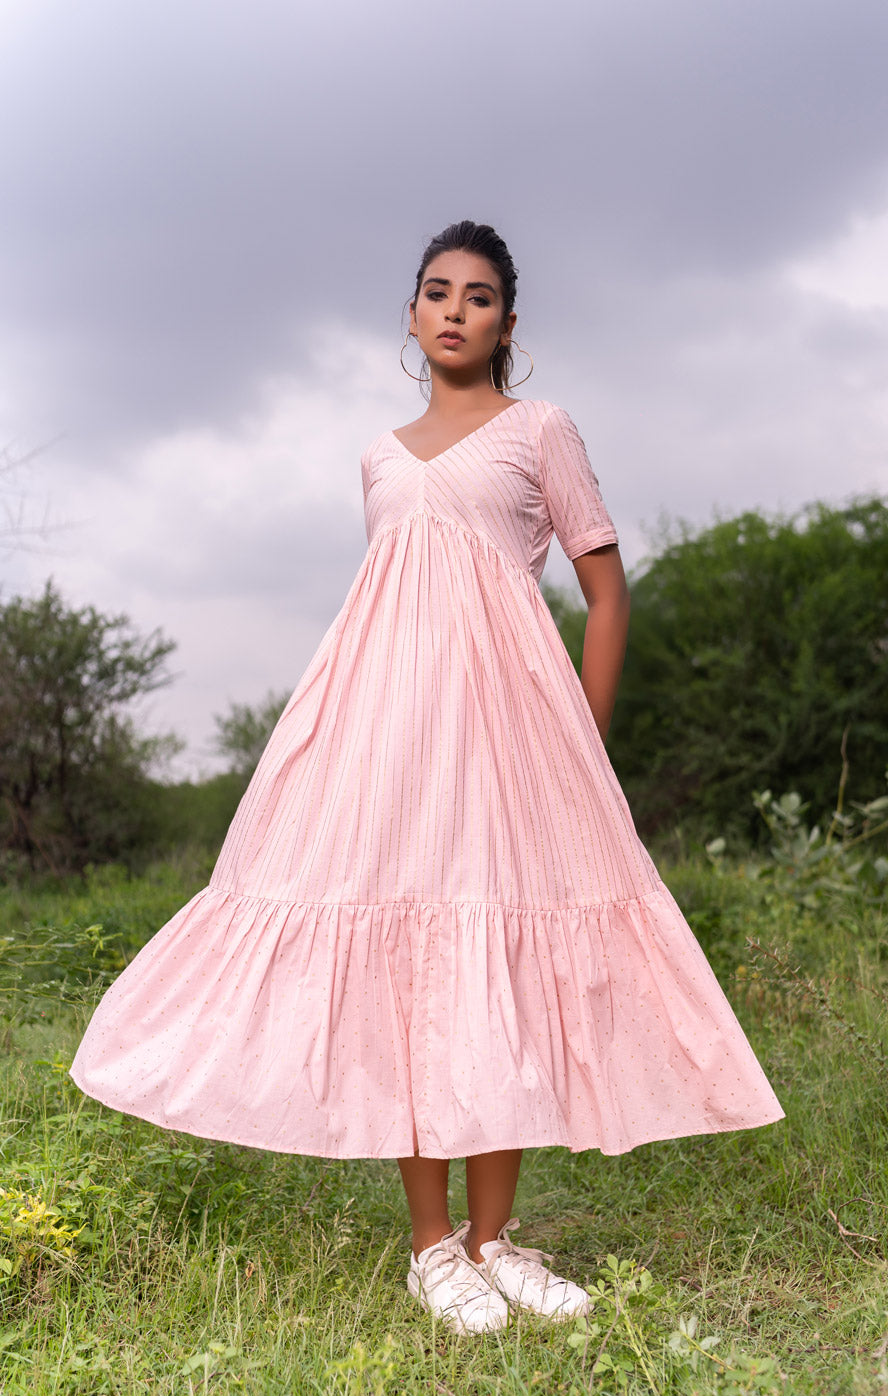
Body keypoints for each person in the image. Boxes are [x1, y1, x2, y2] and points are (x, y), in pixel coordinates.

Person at [70, 220, 784, 1336]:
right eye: (436, 292)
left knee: (492, 953)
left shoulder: (540, 430)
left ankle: (496, 1238)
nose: (456, 310)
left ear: (509, 323)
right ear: (410, 314)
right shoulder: (378, 456)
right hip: (387, 738)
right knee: (410, 958)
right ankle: (429, 1248)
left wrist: (581, 745)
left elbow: (605, 592)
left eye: (481, 296)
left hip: (513, 741)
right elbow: (400, 605)